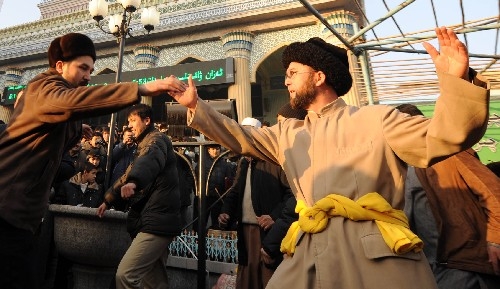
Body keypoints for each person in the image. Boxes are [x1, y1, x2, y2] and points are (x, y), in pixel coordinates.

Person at [169, 27, 490, 289]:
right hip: (307, 259)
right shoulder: (287, 134)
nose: (286, 81)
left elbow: (446, 135)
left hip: (375, 262)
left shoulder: (378, 119)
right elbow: (240, 136)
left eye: (293, 72)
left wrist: (456, 82)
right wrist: (197, 107)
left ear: (319, 76)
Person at [0, 32, 187, 289]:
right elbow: (69, 104)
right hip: (6, 211)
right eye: (83, 68)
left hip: (19, 216)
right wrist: (142, 88)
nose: (88, 76)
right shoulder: (42, 88)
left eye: (91, 69)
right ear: (59, 66)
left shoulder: (55, 99)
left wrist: (79, 129)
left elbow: (60, 118)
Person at [398, 103, 500, 289]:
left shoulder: (449, 153)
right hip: (430, 269)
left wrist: (496, 240)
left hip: (464, 264)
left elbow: (493, 191)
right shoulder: (398, 169)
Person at [97, 103, 181, 289]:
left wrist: (134, 182)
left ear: (147, 120)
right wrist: (108, 199)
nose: (130, 126)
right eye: (128, 122)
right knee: (155, 284)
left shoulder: (156, 140)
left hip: (156, 221)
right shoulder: (144, 144)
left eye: (133, 120)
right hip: (156, 220)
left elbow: (148, 161)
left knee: (125, 276)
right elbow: (127, 174)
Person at [218, 117, 294, 289]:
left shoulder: (274, 160)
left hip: (267, 231)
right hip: (245, 230)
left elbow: (293, 194)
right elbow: (236, 191)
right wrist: (226, 212)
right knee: (247, 275)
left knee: (267, 275)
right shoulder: (243, 162)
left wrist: (274, 217)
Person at [193, 142, 235, 231]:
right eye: (212, 149)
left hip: (218, 197)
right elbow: (196, 179)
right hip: (204, 196)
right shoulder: (202, 163)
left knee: (217, 223)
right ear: (208, 150)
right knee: (200, 222)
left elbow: (229, 180)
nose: (215, 151)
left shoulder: (224, 164)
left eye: (217, 149)